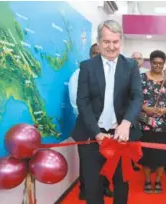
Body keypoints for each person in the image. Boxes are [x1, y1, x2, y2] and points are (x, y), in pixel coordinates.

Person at [73, 20, 143, 204]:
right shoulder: (87, 67)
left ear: (121, 41)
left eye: (115, 42)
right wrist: (96, 132)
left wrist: (126, 123)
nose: (111, 47)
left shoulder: (131, 66)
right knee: (93, 188)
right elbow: (83, 101)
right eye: (106, 42)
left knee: (121, 185)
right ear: (98, 41)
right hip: (92, 136)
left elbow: (137, 97)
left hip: (121, 137)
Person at [68, 43, 113, 200]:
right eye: (94, 53)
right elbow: (78, 104)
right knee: (88, 164)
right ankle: (85, 189)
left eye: (99, 53)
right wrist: (94, 125)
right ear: (90, 54)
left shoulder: (108, 74)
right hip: (87, 129)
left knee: (106, 160)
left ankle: (104, 186)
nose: (97, 56)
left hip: (106, 129)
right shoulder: (79, 74)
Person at [138, 50, 166, 193]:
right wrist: (146, 108)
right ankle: (148, 180)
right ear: (150, 62)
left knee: (163, 155)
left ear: (164, 64)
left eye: (160, 63)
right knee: (146, 155)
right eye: (154, 63)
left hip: (165, 125)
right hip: (146, 124)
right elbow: (134, 99)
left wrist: (164, 111)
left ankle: (158, 180)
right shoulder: (141, 78)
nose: (157, 65)